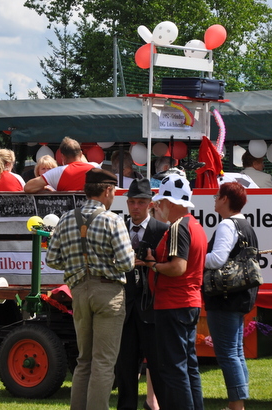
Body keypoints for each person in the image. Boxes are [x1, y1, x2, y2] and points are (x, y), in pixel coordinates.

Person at [46, 168, 134, 410]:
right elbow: (126, 263)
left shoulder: (65, 219)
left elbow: (51, 259)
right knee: (103, 362)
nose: (113, 196)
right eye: (113, 191)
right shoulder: (113, 220)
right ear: (107, 190)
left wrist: (74, 265)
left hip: (79, 291)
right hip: (108, 292)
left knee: (84, 360)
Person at [141, 174, 206, 410]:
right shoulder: (194, 225)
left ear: (170, 202)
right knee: (188, 367)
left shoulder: (178, 227)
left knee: (175, 369)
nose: (159, 206)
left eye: (161, 201)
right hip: (187, 302)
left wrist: (152, 265)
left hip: (173, 303)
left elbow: (178, 267)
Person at [204, 182, 259, 410]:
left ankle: (237, 406)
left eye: (217, 196)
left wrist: (195, 257)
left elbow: (217, 259)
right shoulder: (245, 225)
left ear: (225, 199)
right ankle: (237, 403)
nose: (215, 200)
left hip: (224, 296)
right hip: (240, 295)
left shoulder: (227, 224)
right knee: (235, 352)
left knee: (227, 353)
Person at [116, 178, 168, 410]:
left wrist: (151, 264)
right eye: (132, 202)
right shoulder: (118, 229)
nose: (135, 207)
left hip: (153, 309)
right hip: (125, 309)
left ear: (150, 204)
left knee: (158, 367)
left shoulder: (162, 231)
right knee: (125, 368)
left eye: (141, 202)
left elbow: (171, 268)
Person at [25, 137, 99, 193]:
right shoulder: (95, 167)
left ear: (62, 156)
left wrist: (45, 188)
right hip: (93, 207)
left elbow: (28, 187)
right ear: (81, 154)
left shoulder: (57, 172)